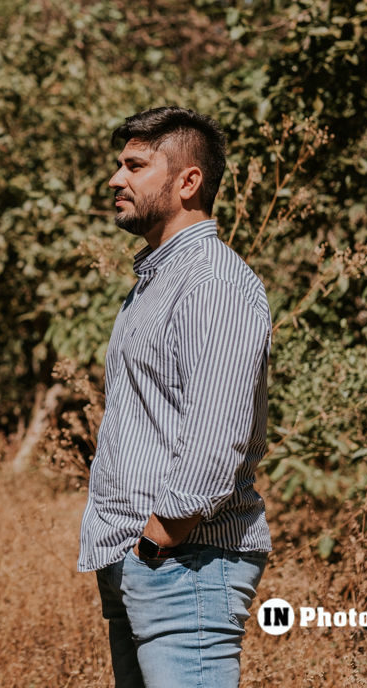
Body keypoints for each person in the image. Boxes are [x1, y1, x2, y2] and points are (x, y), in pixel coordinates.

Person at [77, 107, 272, 687]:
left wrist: (157, 542)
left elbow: (217, 439)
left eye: (135, 165)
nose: (116, 179)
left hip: (185, 565)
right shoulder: (158, 281)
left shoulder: (214, 283)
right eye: (119, 164)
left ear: (188, 182)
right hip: (142, 561)